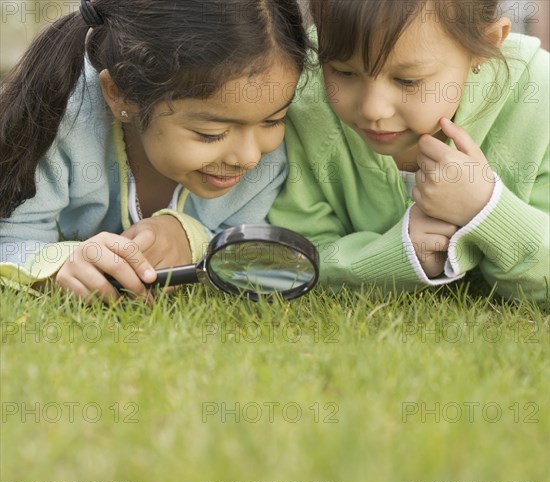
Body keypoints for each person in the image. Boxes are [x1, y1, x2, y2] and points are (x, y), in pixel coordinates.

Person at [0, 0, 308, 302]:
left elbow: (257, 250)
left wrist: (190, 237)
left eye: (273, 120)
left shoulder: (269, 156)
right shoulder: (61, 121)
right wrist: (62, 264)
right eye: (210, 134)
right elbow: (10, 240)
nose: (249, 157)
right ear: (118, 95)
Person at [269, 0, 549, 302]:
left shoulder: (538, 99)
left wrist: (487, 208)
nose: (373, 109)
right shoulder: (305, 94)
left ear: (486, 45)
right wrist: (398, 255)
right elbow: (293, 257)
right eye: (344, 72)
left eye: (408, 80)